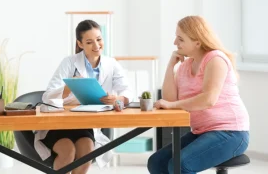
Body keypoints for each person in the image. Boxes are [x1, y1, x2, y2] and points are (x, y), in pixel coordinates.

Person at [147, 16, 249, 174]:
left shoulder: (215, 59)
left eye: (180, 39)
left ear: (197, 42)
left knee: (180, 165)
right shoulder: (185, 66)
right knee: (157, 163)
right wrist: (170, 65)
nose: (175, 43)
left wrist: (171, 105)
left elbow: (208, 100)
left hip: (231, 133)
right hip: (202, 132)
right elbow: (169, 101)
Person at [34, 20, 132, 173]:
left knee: (87, 152)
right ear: (80, 44)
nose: (96, 45)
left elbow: (127, 92)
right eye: (89, 42)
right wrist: (67, 88)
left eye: (99, 39)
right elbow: (47, 96)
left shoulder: (111, 64)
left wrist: (117, 99)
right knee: (68, 152)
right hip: (59, 124)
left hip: (85, 124)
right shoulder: (69, 63)